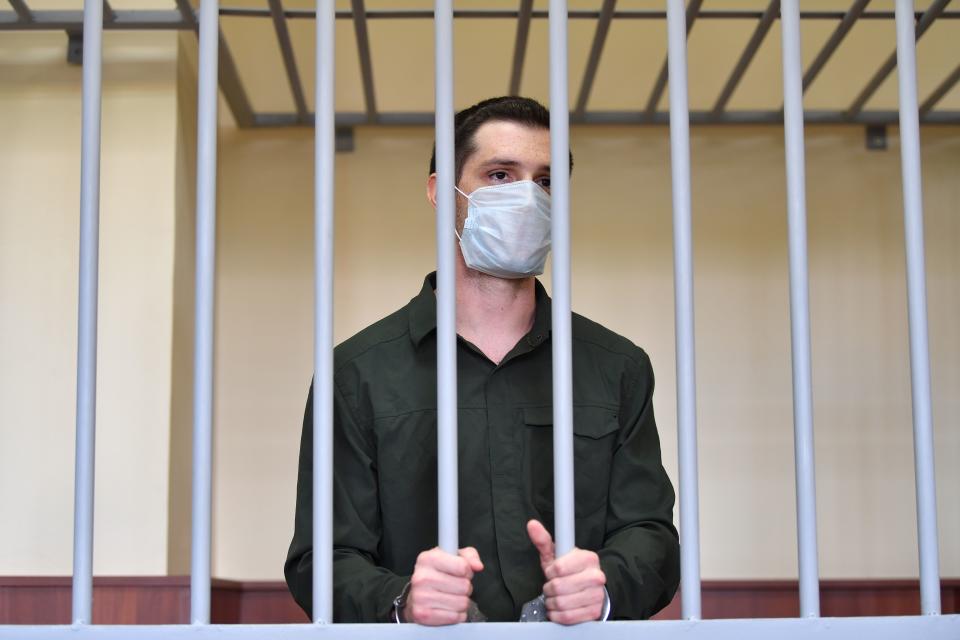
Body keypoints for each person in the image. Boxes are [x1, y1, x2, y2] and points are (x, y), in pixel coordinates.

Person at [285, 96, 680, 624]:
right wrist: (401, 600)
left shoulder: (617, 367)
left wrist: (604, 590)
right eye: (499, 174)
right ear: (439, 192)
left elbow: (650, 534)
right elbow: (321, 559)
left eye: (543, 182)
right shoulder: (356, 375)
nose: (526, 197)